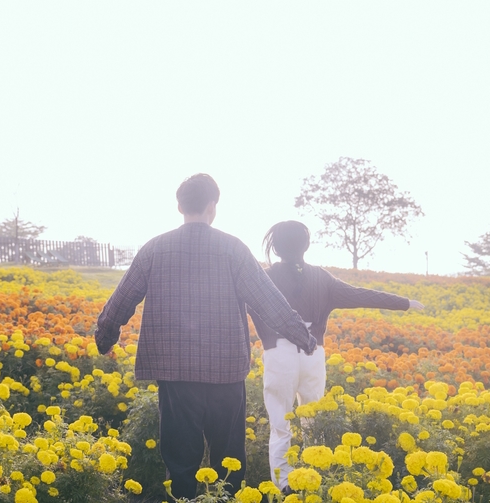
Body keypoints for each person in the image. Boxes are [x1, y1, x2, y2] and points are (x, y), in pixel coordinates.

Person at [95, 175, 317, 500]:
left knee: (180, 460)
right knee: (228, 460)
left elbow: (121, 300)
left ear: (180, 206)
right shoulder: (233, 249)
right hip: (225, 373)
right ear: (213, 207)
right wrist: (303, 337)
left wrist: (105, 336)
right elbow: (268, 301)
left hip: (175, 374)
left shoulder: (155, 248)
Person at [247, 220, 425, 492]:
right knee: (313, 423)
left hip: (279, 354)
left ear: (276, 246)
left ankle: (285, 487)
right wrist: (403, 303)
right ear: (306, 245)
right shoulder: (321, 277)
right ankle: (314, 481)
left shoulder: (265, 278)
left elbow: (246, 305)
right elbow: (360, 295)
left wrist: (268, 338)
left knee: (281, 424)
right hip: (312, 354)